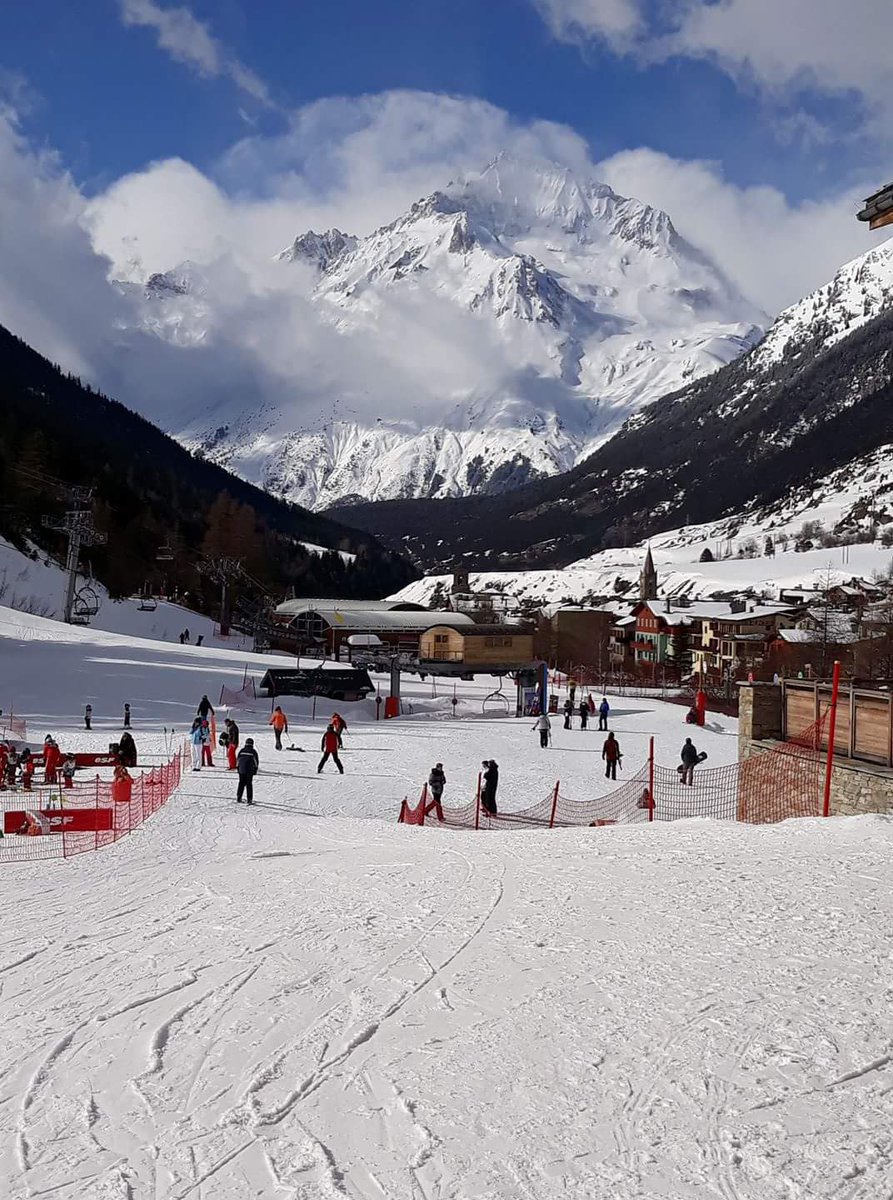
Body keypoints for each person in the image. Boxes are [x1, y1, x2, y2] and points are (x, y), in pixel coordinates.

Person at [236, 737, 259, 804]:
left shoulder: (242, 750)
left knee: (241, 783)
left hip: (241, 770)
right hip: (249, 770)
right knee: (249, 784)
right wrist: (255, 769)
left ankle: (239, 797)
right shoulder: (253, 751)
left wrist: (238, 768)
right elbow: (256, 762)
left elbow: (238, 760)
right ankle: (249, 799)